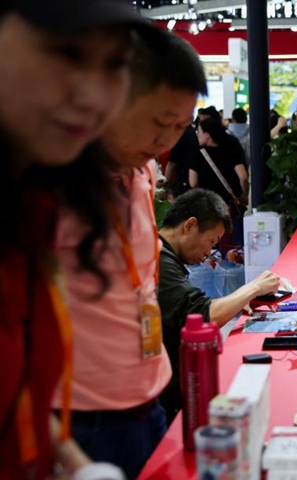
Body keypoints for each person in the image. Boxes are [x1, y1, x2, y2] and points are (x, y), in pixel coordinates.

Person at [0, 1, 157, 478]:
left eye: (114, 64)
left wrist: (71, 461)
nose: (94, 96)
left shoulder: (41, 201)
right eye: (65, 54)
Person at [53, 31, 206, 480]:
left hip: (148, 399)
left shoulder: (143, 171)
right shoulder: (53, 184)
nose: (166, 140)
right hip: (83, 417)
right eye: (158, 122)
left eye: (180, 126)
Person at [157, 189, 281, 423]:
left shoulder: (163, 255)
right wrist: (254, 287)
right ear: (190, 225)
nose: (207, 253)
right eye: (211, 241)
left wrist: (236, 301)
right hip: (165, 398)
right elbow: (203, 314)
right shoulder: (160, 262)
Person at [190, 117, 249, 251]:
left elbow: (193, 182)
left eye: (199, 131)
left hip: (207, 206)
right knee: (233, 243)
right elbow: (243, 177)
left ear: (207, 134)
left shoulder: (198, 154)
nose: (197, 134)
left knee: (211, 245)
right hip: (230, 205)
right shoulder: (231, 148)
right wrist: (244, 194)